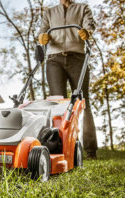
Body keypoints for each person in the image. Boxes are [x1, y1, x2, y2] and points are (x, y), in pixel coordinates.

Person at [38, 0, 97, 159]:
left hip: (77, 58)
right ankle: (61, 147)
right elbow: (42, 32)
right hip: (54, 60)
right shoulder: (49, 12)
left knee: (83, 103)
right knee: (58, 105)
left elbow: (89, 25)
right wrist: (43, 37)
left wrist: (87, 31)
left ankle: (91, 151)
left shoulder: (82, 8)